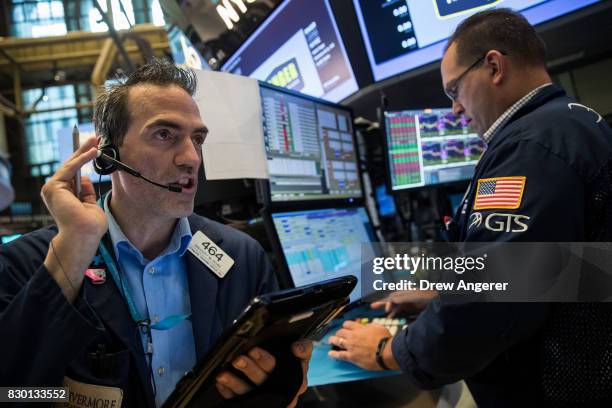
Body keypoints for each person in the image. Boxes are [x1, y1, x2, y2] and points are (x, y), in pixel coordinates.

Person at [328, 8, 612, 406]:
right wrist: (438, 290)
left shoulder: (529, 148)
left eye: (453, 91)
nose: (455, 110)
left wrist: (388, 350)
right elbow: (562, 270)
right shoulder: (568, 125)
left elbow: (490, 304)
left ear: (494, 65)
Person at [0, 59, 311, 407]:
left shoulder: (243, 257)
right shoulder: (23, 265)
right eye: (164, 135)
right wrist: (74, 248)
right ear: (107, 154)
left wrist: (281, 382)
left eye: (198, 138)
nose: (191, 157)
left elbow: (277, 383)